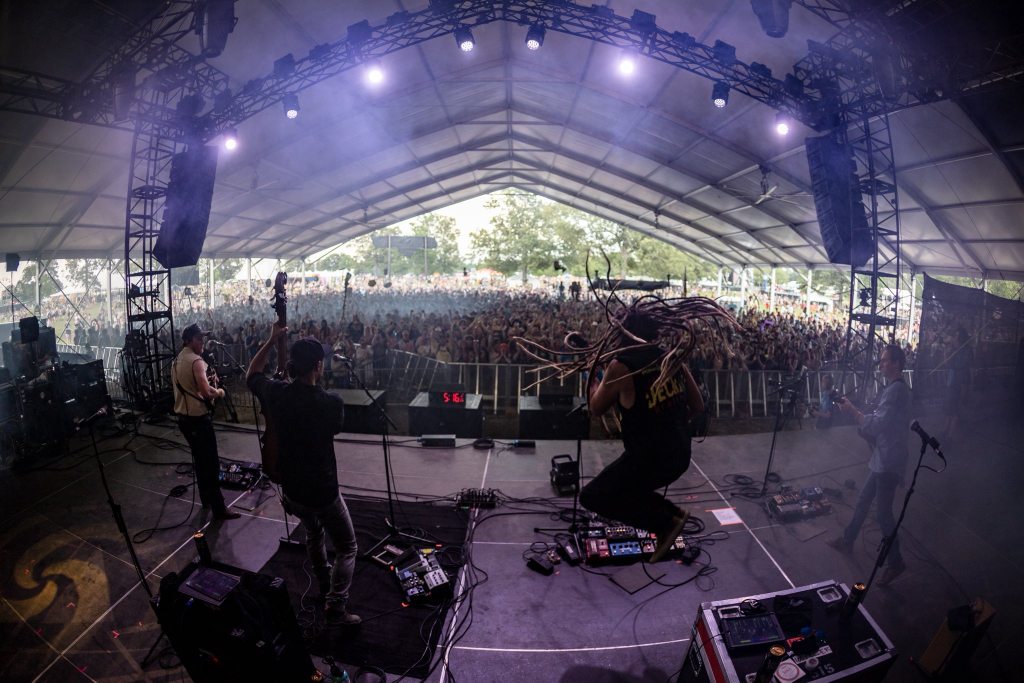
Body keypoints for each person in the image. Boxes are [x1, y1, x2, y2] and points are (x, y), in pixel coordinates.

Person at [246, 323, 361, 626]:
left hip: (292, 492)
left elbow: (251, 375)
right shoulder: (331, 403)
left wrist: (271, 340)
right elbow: (334, 427)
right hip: (323, 492)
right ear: (319, 366)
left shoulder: (276, 393)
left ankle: (323, 583)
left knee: (313, 532)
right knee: (348, 547)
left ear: (290, 366)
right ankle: (335, 606)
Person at [582, 309, 705, 562]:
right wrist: (670, 422)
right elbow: (698, 405)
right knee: (622, 487)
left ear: (623, 333)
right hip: (680, 453)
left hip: (647, 459)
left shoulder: (620, 366)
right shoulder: (668, 357)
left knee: (593, 496)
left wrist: (595, 379)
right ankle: (672, 514)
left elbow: (595, 408)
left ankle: (665, 524)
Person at [827, 344, 912, 585]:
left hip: (888, 462)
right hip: (883, 458)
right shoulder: (896, 389)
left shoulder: (896, 391)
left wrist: (854, 412)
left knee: (884, 513)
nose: (881, 364)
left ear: (896, 363)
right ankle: (848, 539)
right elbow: (882, 422)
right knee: (864, 501)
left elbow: (879, 424)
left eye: (885, 360)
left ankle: (896, 562)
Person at [171, 323, 240, 520]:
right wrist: (219, 391)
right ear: (188, 341)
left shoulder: (177, 361)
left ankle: (206, 500)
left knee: (200, 462)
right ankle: (219, 509)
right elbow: (207, 393)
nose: (202, 342)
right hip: (198, 421)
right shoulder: (196, 361)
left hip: (183, 420)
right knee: (211, 464)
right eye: (198, 339)